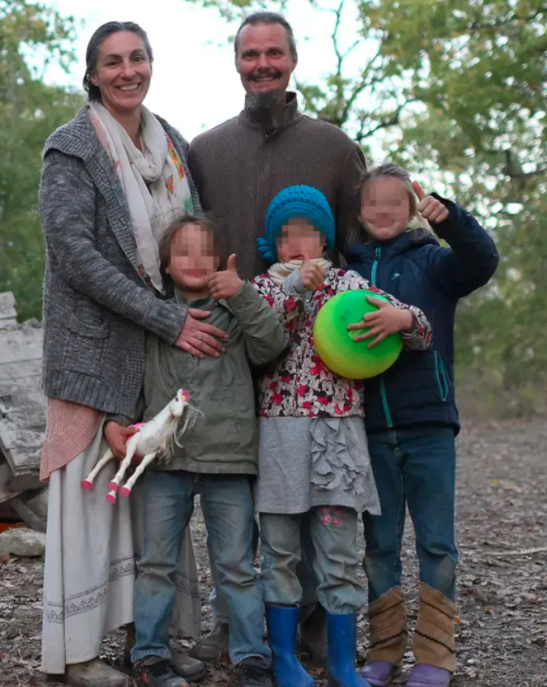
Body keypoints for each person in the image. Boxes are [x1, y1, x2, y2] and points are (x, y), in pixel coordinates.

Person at [37, 21, 227, 687]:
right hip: (93, 349)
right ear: (92, 74)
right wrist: (166, 317)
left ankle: (163, 637)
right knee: (91, 498)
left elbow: (191, 241)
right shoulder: (72, 147)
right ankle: (80, 652)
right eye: (112, 62)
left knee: (158, 495)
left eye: (137, 57)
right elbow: (77, 257)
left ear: (152, 63)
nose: (127, 71)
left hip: (162, 348)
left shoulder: (170, 143)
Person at [186, 10, 368, 664]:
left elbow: (357, 248)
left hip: (316, 360)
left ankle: (316, 629)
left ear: (293, 61)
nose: (261, 64)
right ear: (237, 62)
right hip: (228, 348)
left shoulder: (333, 147)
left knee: (316, 495)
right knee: (236, 494)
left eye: (273, 53)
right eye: (250, 54)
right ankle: (234, 622)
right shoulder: (205, 150)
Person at [251, 185, 432, 687]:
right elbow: (260, 342)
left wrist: (404, 318)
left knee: (337, 552)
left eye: (309, 233)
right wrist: (296, 290)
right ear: (274, 244)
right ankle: (285, 660)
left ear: (325, 238)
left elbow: (419, 331)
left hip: (337, 440)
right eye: (286, 236)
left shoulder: (349, 285)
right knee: (281, 551)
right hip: (279, 437)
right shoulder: (262, 290)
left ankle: (341, 665)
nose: (298, 245)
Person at [108, 216, 283, 687]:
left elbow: (272, 344)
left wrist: (242, 293)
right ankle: (149, 656)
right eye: (182, 251)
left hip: (229, 460)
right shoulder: (153, 314)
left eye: (205, 251)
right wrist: (115, 420)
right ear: (164, 262)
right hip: (167, 460)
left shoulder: (236, 312)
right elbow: (128, 374)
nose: (194, 260)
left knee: (238, 567)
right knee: (157, 564)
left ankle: (252, 657)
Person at [344, 164, 499, 687]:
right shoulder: (348, 270)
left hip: (429, 423)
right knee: (379, 544)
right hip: (367, 428)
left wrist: (451, 219)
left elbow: (482, 261)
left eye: (395, 202)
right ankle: (383, 651)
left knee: (436, 543)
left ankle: (435, 655)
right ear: (359, 213)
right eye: (373, 204)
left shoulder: (434, 262)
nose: (383, 211)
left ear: (411, 208)